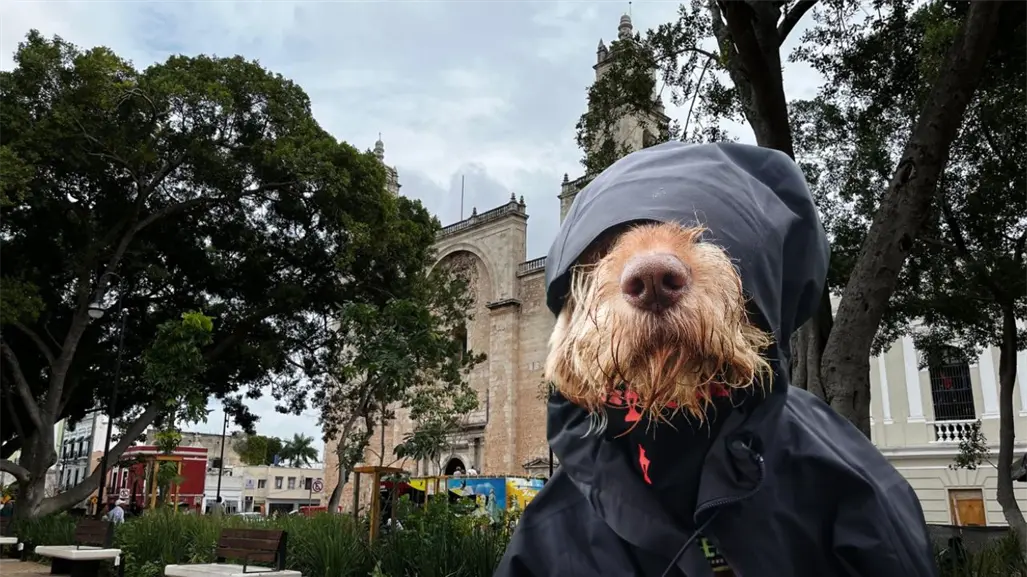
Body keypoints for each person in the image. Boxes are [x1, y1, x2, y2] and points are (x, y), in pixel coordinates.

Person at [494, 142, 938, 576]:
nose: (650, 268)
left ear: (762, 288)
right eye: (604, 249)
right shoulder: (551, 532)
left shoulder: (843, 481)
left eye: (706, 236)